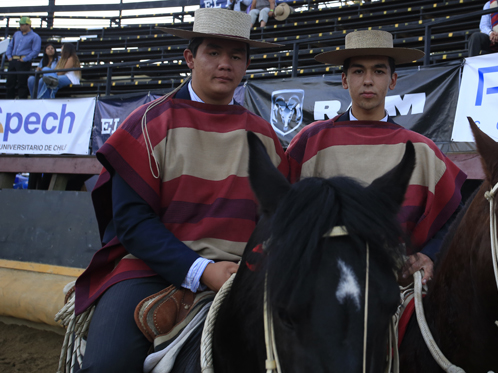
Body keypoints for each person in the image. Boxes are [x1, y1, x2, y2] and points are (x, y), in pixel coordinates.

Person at [71, 9, 286, 372]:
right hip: (151, 269)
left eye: (236, 56)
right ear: (190, 58)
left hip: (244, 272)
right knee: (106, 364)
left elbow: (277, 218)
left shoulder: (264, 136)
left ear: (247, 65)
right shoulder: (148, 122)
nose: (225, 64)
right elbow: (132, 222)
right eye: (213, 53)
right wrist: (201, 270)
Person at [287, 30, 467, 285]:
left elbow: (455, 217)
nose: (368, 80)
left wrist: (429, 255)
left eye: (379, 71)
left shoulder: (421, 149)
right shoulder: (310, 141)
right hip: (320, 288)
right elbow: (279, 210)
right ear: (344, 80)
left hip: (398, 288)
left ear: (393, 80)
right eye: (359, 71)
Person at [5, 16, 41, 99]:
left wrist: (25, 59)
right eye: (20, 24)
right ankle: (9, 100)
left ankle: (22, 100)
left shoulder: (35, 36)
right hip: (14, 59)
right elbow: (10, 45)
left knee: (22, 83)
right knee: (10, 82)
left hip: (23, 61)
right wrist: (9, 56)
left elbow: (35, 50)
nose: (20, 26)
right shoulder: (16, 34)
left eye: (22, 24)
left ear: (28, 25)